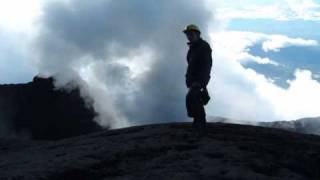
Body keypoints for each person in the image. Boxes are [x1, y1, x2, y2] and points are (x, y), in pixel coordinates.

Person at [183, 24, 212, 131]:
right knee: (194, 100)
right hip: (193, 80)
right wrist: (188, 79)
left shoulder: (203, 46)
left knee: (193, 99)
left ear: (197, 34)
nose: (189, 36)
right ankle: (198, 123)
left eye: (191, 33)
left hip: (199, 80)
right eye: (188, 34)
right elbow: (191, 65)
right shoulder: (193, 48)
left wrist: (201, 81)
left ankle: (200, 125)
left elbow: (207, 65)